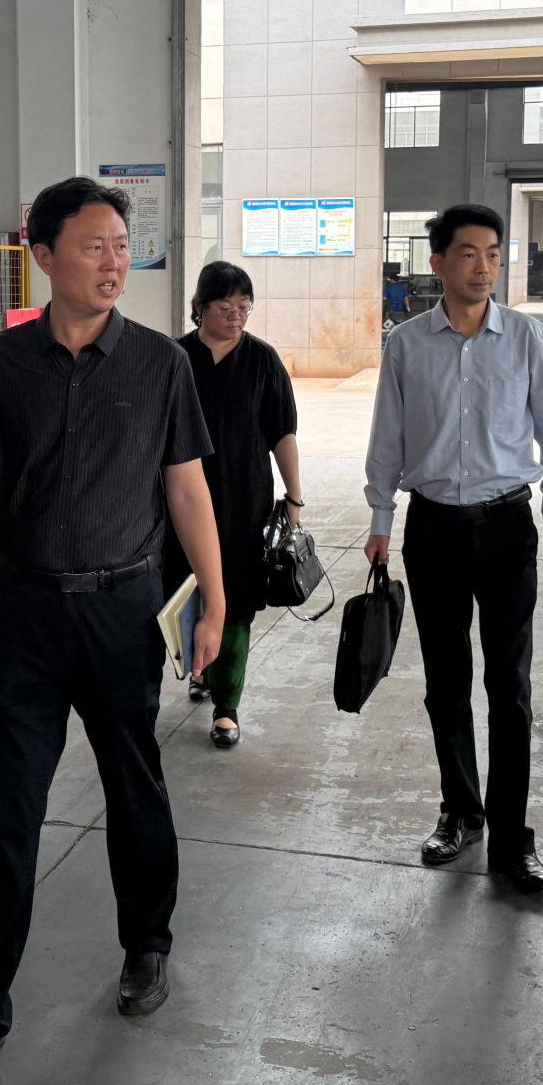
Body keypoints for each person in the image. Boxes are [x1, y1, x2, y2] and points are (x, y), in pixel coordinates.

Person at [0, 176, 226, 1085]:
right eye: (94, 247)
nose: (113, 263)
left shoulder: (160, 364)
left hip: (123, 609)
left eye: (122, 247)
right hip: (21, 612)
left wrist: (215, 601)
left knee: (135, 788)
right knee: (2, 817)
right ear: (43, 256)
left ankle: (147, 944)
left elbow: (187, 489)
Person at [362, 203, 543, 897]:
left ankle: (512, 839)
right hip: (434, 529)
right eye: (468, 254)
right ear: (438, 263)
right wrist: (381, 516)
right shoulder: (407, 344)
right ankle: (461, 811)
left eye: (493, 254)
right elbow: (388, 436)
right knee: (446, 681)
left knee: (509, 686)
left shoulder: (527, 337)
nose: (483, 267)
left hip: (508, 524)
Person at [168, 261, 301, 748]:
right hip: (179, 503)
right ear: (200, 307)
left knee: (237, 600)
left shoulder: (262, 360)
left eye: (244, 307)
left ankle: (227, 706)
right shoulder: (175, 358)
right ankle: (200, 668)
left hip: (246, 502)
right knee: (182, 591)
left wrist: (294, 497)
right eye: (226, 306)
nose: (236, 316)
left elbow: (282, 432)